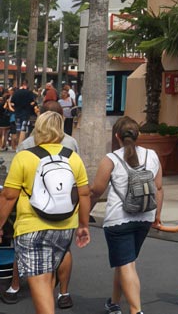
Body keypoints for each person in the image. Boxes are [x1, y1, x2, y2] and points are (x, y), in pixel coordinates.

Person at [0, 111, 91, 314]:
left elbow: (8, 196)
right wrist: (83, 225)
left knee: (41, 282)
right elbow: (84, 194)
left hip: (32, 228)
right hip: (65, 227)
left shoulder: (25, 157)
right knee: (47, 280)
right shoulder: (72, 158)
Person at [91, 116, 164, 314]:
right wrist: (157, 215)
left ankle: (135, 309)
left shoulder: (111, 159)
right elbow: (158, 187)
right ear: (138, 135)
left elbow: (97, 190)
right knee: (124, 262)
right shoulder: (152, 155)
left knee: (127, 265)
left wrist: (83, 213)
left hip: (118, 220)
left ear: (117, 136)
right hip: (145, 218)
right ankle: (114, 303)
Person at [9, 82, 37, 148]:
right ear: (26, 85)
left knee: (18, 129)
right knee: (23, 129)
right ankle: (21, 145)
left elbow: (12, 102)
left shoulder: (16, 93)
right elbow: (32, 102)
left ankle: (15, 145)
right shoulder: (29, 93)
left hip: (17, 113)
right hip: (26, 113)